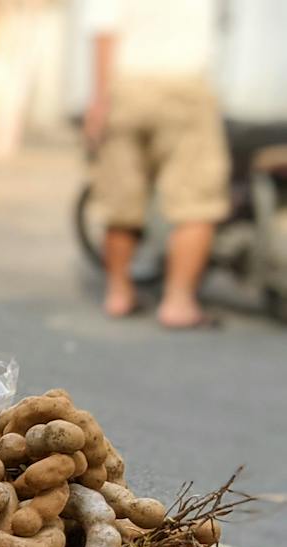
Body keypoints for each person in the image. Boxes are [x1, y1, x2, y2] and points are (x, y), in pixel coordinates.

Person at [84, 0, 229, 328]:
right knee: (195, 201)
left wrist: (99, 100)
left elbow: (104, 30)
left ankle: (118, 293)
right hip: (185, 86)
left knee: (121, 198)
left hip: (127, 86)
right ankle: (178, 302)